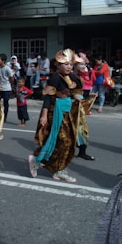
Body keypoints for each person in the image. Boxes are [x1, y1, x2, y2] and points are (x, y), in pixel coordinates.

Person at [28, 49, 82, 183]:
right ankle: (41, 161)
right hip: (55, 110)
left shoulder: (71, 77)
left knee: (63, 141)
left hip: (66, 111)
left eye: (71, 64)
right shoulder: (55, 77)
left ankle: (55, 167)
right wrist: (44, 115)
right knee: (63, 140)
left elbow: (77, 89)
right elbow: (48, 96)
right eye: (66, 64)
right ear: (58, 65)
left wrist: (79, 97)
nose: (69, 66)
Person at [0, 53, 13, 123]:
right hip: (0, 88)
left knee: (6, 103)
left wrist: (10, 85)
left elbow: (11, 78)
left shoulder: (7, 69)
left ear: (3, 61)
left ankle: (5, 117)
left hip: (6, 88)